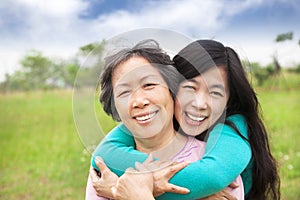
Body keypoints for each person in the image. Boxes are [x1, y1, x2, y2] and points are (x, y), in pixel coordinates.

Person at [89, 39, 280, 199]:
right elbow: (104, 154)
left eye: (215, 92)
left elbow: (210, 177)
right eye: (190, 88)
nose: (199, 103)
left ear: (228, 100)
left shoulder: (231, 129)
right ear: (173, 87)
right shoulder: (137, 124)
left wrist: (132, 189)